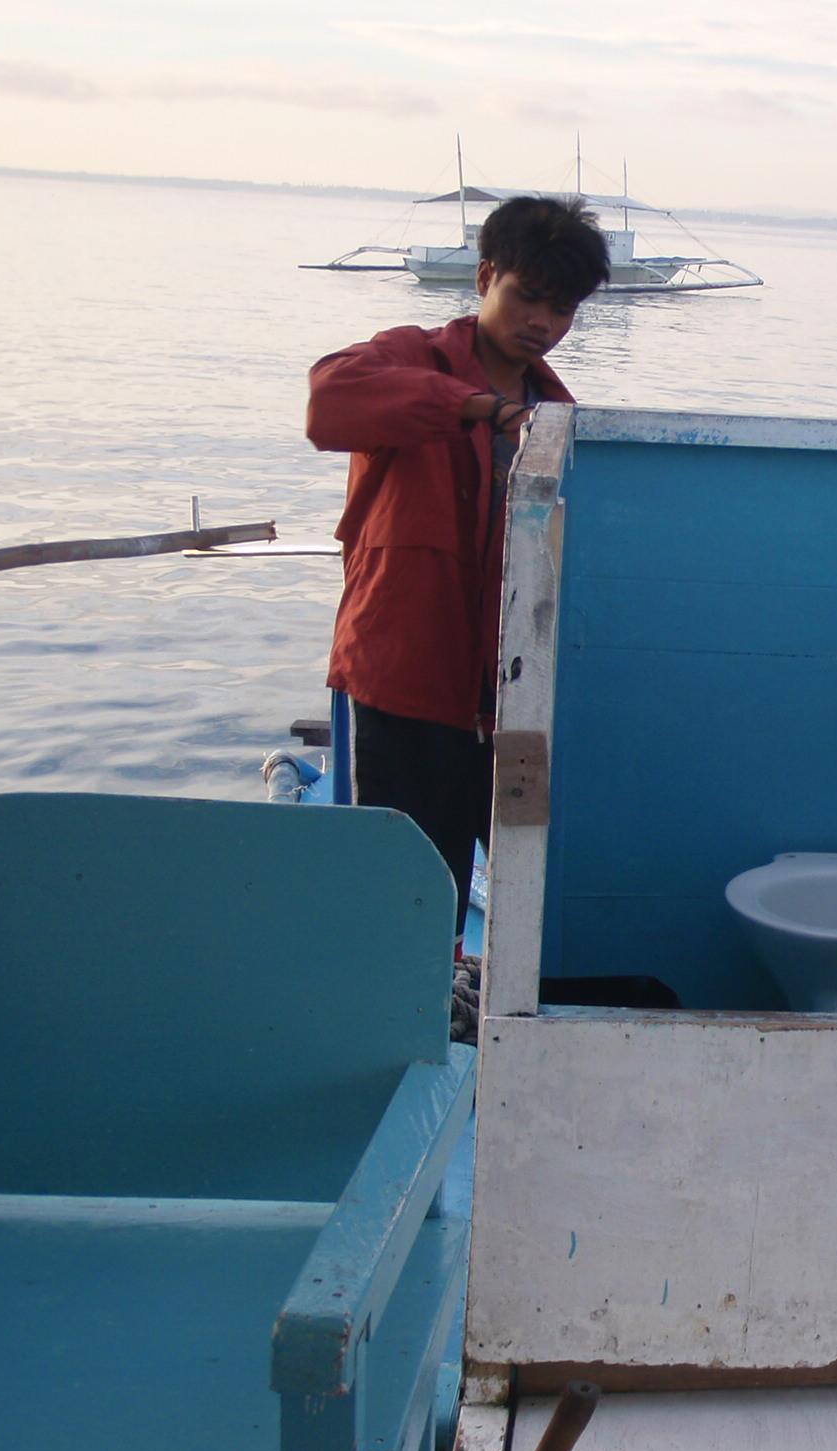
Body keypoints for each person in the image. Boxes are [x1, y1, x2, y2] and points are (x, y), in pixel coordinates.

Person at [306, 196, 610, 940]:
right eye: (527, 296)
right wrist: (475, 407)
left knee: (532, 882)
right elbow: (328, 402)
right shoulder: (407, 358)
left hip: (514, 697)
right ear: (484, 278)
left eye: (562, 308)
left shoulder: (558, 414)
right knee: (404, 898)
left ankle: (489, 995)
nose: (543, 322)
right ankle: (407, 1000)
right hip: (405, 681)